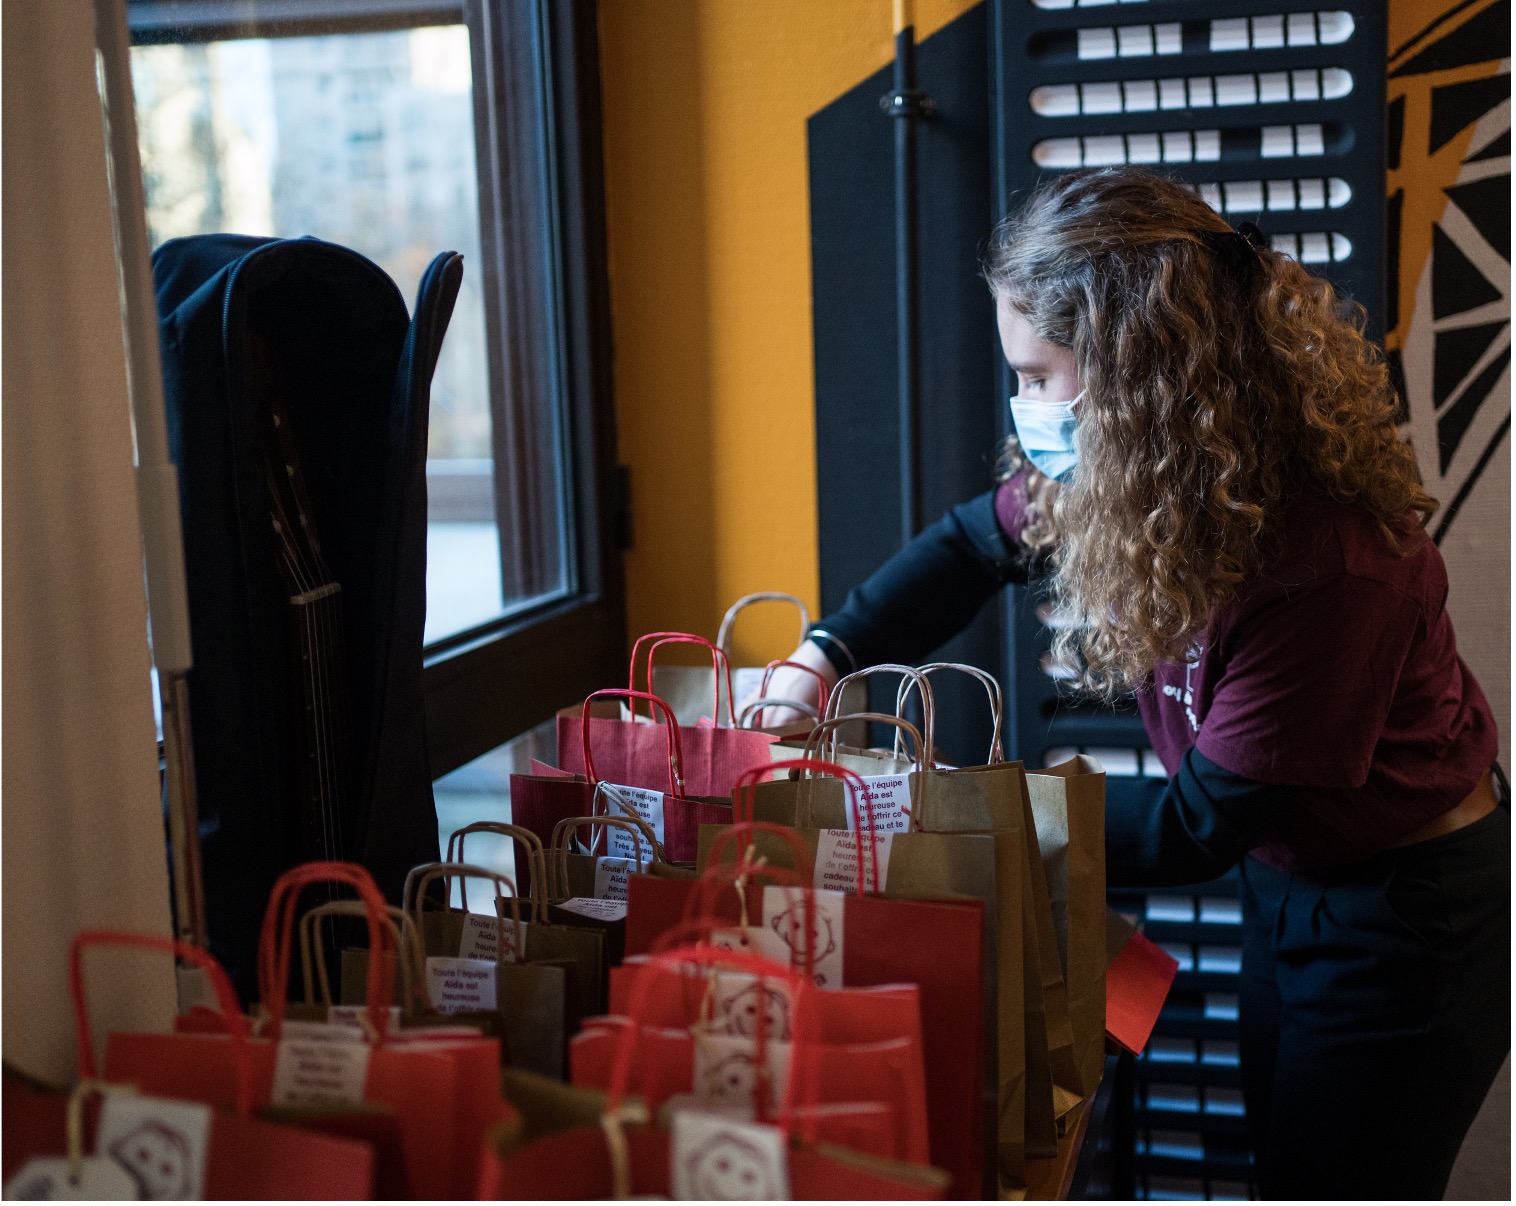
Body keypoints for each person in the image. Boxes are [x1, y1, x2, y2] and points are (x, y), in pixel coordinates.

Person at [759, 167, 1509, 1199]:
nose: (1022, 406)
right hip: (1291, 873)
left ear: (1136, 371)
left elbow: (1193, 828)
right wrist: (821, 657)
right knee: (1285, 1171)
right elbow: (968, 547)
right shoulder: (1146, 470)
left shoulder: (1328, 559)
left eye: (1037, 374)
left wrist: (924, 806)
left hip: (1408, 913)